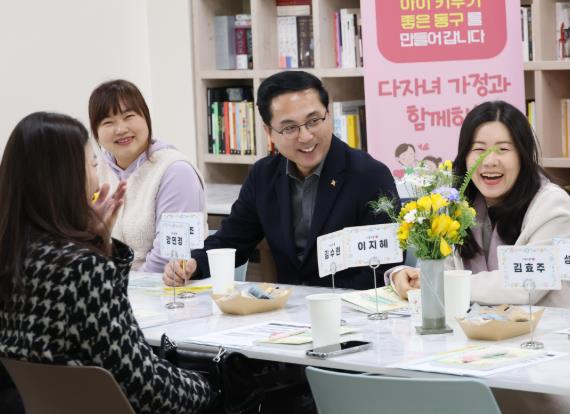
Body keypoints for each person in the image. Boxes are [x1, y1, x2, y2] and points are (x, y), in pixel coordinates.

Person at [0, 112, 213, 413]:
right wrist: (209, 386)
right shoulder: (80, 267)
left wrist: (99, 243)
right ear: (67, 177)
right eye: (93, 165)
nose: (98, 177)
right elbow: (142, 385)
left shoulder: (14, 252)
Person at [163, 70, 399, 288]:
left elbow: (382, 267)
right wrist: (192, 264)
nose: (305, 136)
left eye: (313, 121)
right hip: (286, 309)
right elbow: (232, 241)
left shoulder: (369, 176)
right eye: (289, 128)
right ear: (269, 132)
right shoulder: (263, 176)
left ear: (328, 114)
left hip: (351, 308)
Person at [388, 100, 570, 308]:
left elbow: (526, 285)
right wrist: (403, 275)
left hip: (543, 327)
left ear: (522, 156)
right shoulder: (459, 204)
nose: (489, 161)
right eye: (479, 149)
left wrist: (439, 283)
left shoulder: (553, 205)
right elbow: (439, 271)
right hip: (475, 326)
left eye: (503, 149)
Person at [89, 79, 207, 273]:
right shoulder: (96, 169)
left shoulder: (175, 171)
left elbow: (168, 256)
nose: (121, 129)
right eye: (108, 122)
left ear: (146, 118)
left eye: (129, 116)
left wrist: (121, 287)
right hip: (110, 285)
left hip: (165, 286)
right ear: (96, 131)